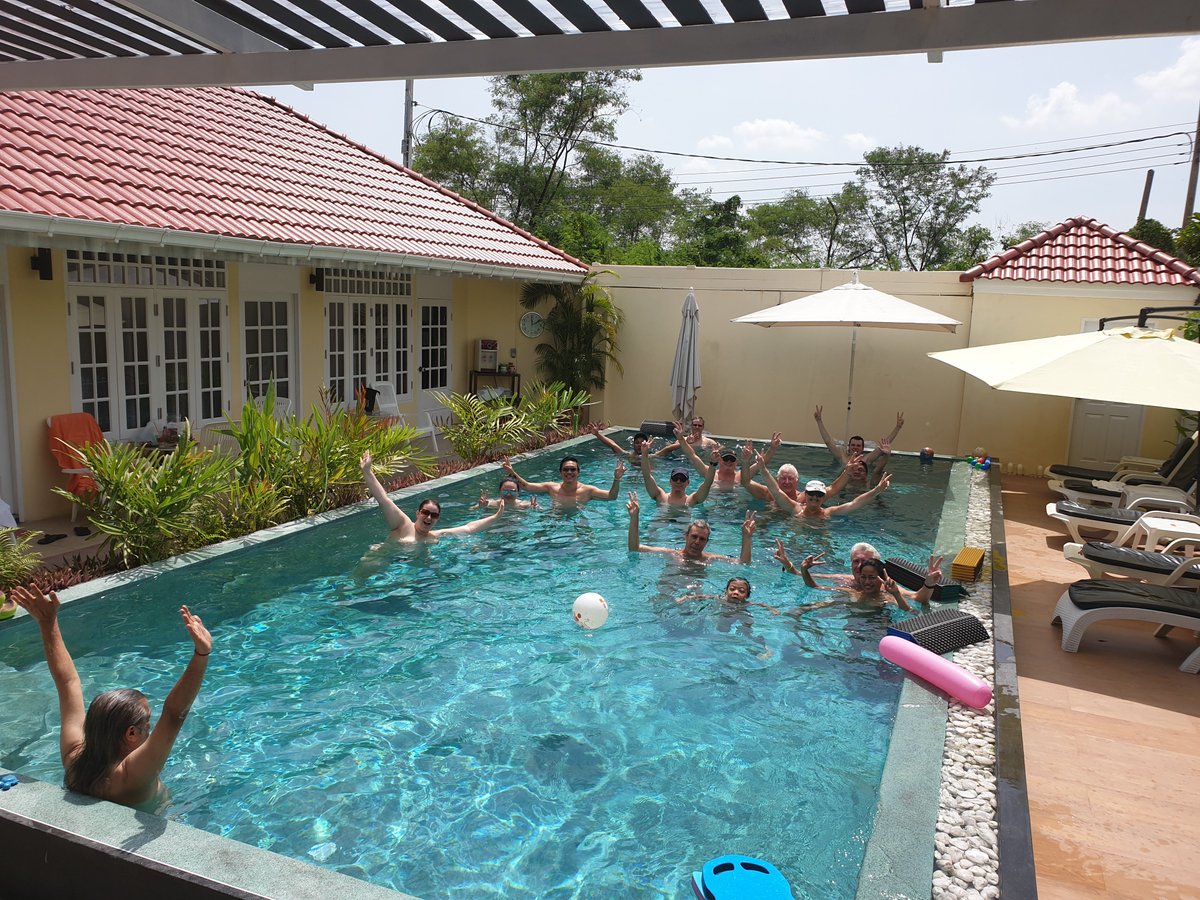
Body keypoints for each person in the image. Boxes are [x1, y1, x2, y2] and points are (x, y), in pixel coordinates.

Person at [10, 585, 211, 809]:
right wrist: (201, 654)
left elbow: (68, 683)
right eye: (148, 722)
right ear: (132, 733)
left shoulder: (75, 760)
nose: (151, 728)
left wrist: (47, 623)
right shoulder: (131, 775)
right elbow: (174, 715)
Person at [361, 450, 503, 541]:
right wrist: (367, 471)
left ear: (437, 519)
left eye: (434, 515)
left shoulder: (434, 537)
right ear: (417, 513)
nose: (429, 517)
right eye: (426, 512)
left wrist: (496, 516)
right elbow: (384, 500)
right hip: (382, 565)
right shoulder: (403, 525)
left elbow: (469, 528)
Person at [775, 552, 943, 613]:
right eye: (864, 577)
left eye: (872, 577)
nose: (867, 581)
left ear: (881, 577)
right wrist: (803, 570)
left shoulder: (887, 593)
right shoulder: (852, 589)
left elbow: (914, 607)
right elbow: (817, 587)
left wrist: (929, 583)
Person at [626, 492, 755, 563]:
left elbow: (743, 562)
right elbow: (634, 548)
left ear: (707, 542)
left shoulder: (710, 559)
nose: (697, 542)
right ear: (686, 536)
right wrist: (634, 518)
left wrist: (747, 538)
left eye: (702, 539)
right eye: (694, 537)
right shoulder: (672, 554)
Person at [756, 452, 889, 520]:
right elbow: (776, 490)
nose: (815, 497)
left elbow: (855, 503)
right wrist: (762, 469)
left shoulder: (828, 512)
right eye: (812, 494)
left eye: (819, 494)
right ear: (805, 495)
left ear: (823, 496)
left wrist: (876, 491)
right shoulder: (795, 509)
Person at [503, 454, 625, 506]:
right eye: (566, 470)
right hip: (556, 518)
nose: (569, 472)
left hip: (578, 520)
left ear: (578, 472)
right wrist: (512, 473)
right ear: (560, 472)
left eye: (573, 469)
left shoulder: (588, 490)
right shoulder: (551, 487)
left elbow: (611, 496)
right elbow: (527, 486)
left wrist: (617, 479)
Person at [814, 406, 904, 465]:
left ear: (862, 448)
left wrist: (898, 427)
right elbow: (828, 442)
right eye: (853, 445)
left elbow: (883, 447)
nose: (855, 447)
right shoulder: (842, 456)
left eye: (858, 445)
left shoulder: (867, 459)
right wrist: (819, 421)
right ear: (849, 446)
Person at [639, 448, 717, 507]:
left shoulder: (692, 500)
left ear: (688, 483)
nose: (678, 481)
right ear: (670, 481)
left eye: (682, 479)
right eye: (675, 478)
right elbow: (647, 476)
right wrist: (644, 454)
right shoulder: (660, 496)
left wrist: (713, 463)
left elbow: (707, 483)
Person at [676, 576, 780, 615]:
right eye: (732, 589)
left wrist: (772, 609)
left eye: (741, 591)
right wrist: (687, 597)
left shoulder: (746, 604)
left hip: (739, 613)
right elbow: (703, 596)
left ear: (747, 595)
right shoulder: (720, 598)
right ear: (726, 591)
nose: (736, 592)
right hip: (724, 614)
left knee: (748, 624)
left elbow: (760, 604)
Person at [654, 415, 720, 457]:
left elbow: (720, 448)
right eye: (695, 425)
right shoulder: (683, 440)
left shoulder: (709, 442)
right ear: (691, 426)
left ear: (703, 427)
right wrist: (686, 443)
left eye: (699, 425)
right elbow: (668, 449)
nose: (697, 427)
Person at [586, 425, 654, 463]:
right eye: (637, 443)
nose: (639, 445)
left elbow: (663, 451)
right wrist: (597, 434)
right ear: (633, 444)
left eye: (642, 443)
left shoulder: (651, 457)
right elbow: (612, 444)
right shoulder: (628, 455)